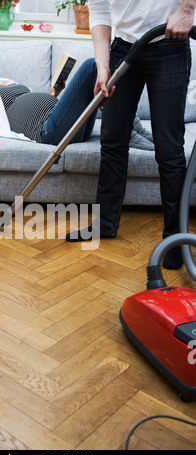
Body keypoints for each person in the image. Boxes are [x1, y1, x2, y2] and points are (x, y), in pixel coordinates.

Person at [67, 0, 196, 270]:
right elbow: (100, 11)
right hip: (123, 48)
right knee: (112, 142)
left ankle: (174, 239)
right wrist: (102, 66)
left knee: (169, 149)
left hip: (170, 46)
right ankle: (104, 224)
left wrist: (187, 10)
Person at [0, 48, 100, 160]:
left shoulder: (1, 83)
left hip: (64, 123)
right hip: (48, 130)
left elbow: (32, 103)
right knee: (91, 66)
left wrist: (54, 93)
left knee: (93, 83)